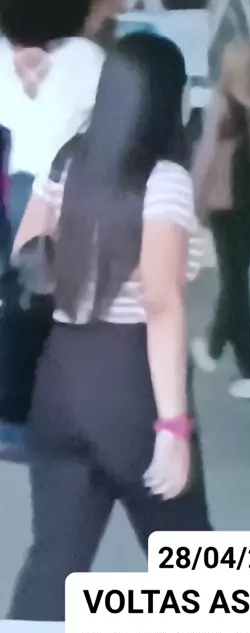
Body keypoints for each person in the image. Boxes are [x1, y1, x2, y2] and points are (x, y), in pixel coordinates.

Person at [7, 32, 212, 622]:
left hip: (60, 380)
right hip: (129, 385)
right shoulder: (163, 180)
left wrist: (87, 260)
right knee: (196, 567)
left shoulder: (69, 161)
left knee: (54, 564)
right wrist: (172, 428)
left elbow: (27, 255)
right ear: (169, 98)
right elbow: (162, 304)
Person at [0, 0, 105, 452]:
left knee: (19, 301)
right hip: (66, 186)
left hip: (18, 184)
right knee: (61, 305)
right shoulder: (85, 58)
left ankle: (12, 416)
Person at [191, 41, 250, 399]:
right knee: (236, 277)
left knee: (234, 283)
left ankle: (249, 372)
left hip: (227, 201)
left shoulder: (221, 103)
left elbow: (206, 155)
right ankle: (214, 348)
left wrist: (193, 198)